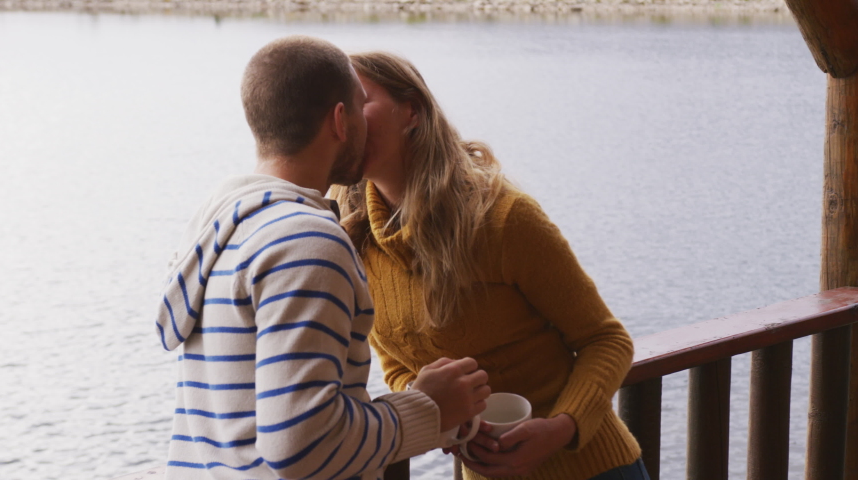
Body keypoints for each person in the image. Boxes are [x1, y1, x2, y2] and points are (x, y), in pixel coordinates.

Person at [154, 36, 490, 480]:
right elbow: (302, 446)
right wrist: (429, 408)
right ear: (339, 120)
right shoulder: (307, 243)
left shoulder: (222, 222)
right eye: (360, 108)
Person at [330, 51, 647, 480]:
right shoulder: (350, 241)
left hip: (591, 468)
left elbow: (606, 340)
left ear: (412, 111)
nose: (349, 121)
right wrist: (433, 411)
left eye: (361, 101)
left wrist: (560, 429)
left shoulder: (501, 219)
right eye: (339, 109)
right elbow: (398, 366)